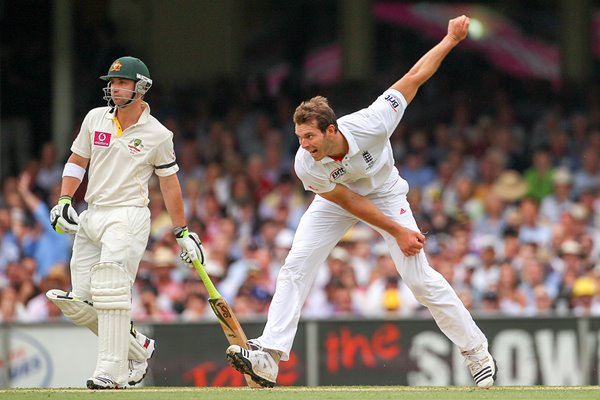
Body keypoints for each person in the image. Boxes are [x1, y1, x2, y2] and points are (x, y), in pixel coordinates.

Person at [226, 16, 497, 389]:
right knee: (296, 265)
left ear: (331, 130)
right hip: (341, 200)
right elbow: (349, 202)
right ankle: (270, 356)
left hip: (386, 193)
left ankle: (476, 351)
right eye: (299, 137)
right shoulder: (307, 164)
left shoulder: (372, 122)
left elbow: (415, 76)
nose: (303, 145)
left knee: (419, 281)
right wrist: (398, 231)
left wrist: (450, 39)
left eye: (309, 136)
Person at [45, 56, 204, 389]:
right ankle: (137, 347)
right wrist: (63, 200)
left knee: (110, 293)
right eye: (113, 83)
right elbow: (78, 159)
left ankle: (110, 372)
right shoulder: (94, 119)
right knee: (84, 303)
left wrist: (181, 230)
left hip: (128, 214)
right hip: (92, 213)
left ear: (141, 88)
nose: (115, 88)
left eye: (122, 83)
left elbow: (169, 183)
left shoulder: (158, 134)